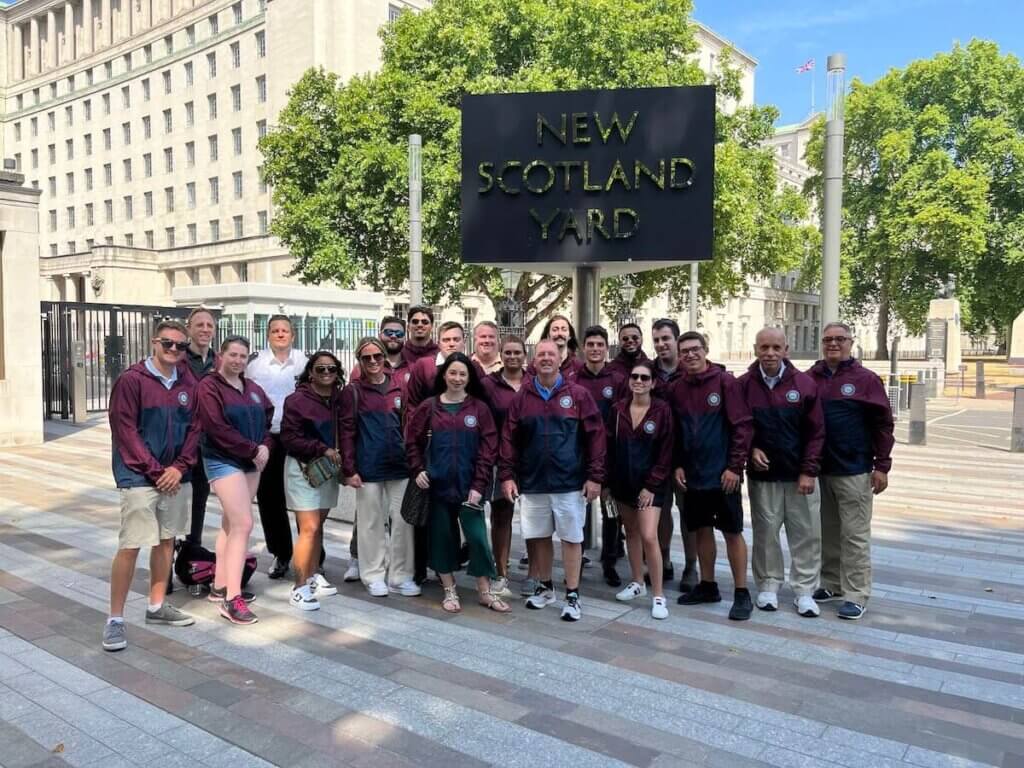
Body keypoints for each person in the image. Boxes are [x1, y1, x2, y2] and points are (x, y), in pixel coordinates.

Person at [103, 320, 200, 652]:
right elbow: (125, 431)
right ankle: (115, 620)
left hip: (175, 476)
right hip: (140, 476)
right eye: (167, 344)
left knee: (166, 540)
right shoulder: (132, 380)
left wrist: (180, 467)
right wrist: (158, 471)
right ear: (153, 343)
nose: (174, 350)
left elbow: (195, 429)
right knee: (131, 544)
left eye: (180, 346)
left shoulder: (189, 382)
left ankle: (156, 605)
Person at [499, 340, 605, 622]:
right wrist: (508, 475)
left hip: (569, 483)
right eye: (541, 354)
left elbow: (596, 436)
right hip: (533, 482)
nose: (546, 358)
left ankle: (573, 595)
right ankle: (546, 589)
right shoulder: (523, 396)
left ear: (561, 359)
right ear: (533, 361)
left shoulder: (578, 394)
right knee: (539, 537)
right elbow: (509, 439)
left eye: (551, 354)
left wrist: (595, 477)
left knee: (571, 539)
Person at [406, 353, 509, 613]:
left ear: (469, 378)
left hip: (469, 487)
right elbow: (411, 442)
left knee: (477, 538)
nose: (457, 378)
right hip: (437, 486)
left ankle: (485, 591)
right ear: (444, 375)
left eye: (463, 374)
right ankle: (449, 590)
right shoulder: (429, 407)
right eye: (452, 373)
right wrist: (418, 469)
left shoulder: (479, 409)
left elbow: (488, 450)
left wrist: (479, 485)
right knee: (442, 538)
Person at [808, 322, 894, 620]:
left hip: (855, 470)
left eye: (840, 339)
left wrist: (881, 465)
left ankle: (857, 594)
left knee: (855, 535)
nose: (833, 344)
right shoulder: (811, 378)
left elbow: (883, 424)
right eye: (828, 339)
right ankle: (831, 583)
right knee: (827, 532)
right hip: (821, 470)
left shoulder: (866, 380)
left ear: (850, 343)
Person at [738, 328, 825, 618]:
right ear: (755, 349)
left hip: (800, 476)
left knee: (806, 534)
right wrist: (751, 450)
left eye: (776, 347)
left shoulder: (804, 384)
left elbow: (816, 432)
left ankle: (804, 590)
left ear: (786, 349)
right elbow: (739, 427)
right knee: (766, 534)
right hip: (764, 477)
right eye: (764, 347)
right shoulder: (744, 385)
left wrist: (809, 471)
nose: (770, 353)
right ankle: (768, 585)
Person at [670, 331, 754, 620]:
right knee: (701, 529)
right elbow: (676, 433)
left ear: (706, 350)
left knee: (732, 532)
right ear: (679, 356)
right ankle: (708, 585)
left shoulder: (725, 382)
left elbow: (742, 426)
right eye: (685, 351)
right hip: (693, 476)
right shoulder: (677, 388)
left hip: (723, 475)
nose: (690, 355)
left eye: (695, 349)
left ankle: (742, 592)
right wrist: (678, 464)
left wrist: (734, 467)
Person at [196, 335, 274, 625]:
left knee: (231, 524)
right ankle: (232, 599)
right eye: (233, 355)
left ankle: (220, 585)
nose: (238, 361)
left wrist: (265, 445)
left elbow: (267, 417)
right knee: (243, 523)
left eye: (243, 357)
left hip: (251, 461)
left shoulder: (251, 388)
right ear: (221, 355)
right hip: (223, 460)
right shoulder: (209, 387)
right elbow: (216, 428)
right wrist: (253, 449)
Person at [339, 337, 419, 597]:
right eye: (366, 358)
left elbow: (408, 424)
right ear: (359, 361)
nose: (372, 361)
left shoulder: (398, 387)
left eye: (377, 356)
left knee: (403, 521)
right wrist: (349, 469)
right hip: (368, 467)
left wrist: (412, 458)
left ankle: (400, 575)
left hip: (399, 465)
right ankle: (373, 574)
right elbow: (347, 432)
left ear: (385, 357)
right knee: (371, 523)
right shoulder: (352, 391)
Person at [607, 361, 674, 620]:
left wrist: (651, 486)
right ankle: (637, 582)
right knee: (631, 533)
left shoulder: (662, 411)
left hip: (651, 486)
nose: (638, 381)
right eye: (634, 376)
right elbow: (609, 448)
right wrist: (608, 483)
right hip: (623, 482)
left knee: (648, 535)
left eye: (645, 378)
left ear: (653, 383)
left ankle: (658, 595)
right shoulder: (617, 410)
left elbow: (666, 452)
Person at [280, 352, 345, 612]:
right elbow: (289, 437)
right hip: (302, 468)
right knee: (308, 528)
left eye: (331, 368)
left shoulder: (340, 399)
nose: (326, 373)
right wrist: (322, 448)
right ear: (310, 372)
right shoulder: (296, 400)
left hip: (327, 470)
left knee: (318, 527)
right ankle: (299, 587)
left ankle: (312, 574)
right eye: (320, 369)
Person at [247, 315, 307, 580]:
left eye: (285, 330)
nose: (280, 334)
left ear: (292, 335)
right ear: (268, 334)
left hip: (299, 437)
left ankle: (314, 554)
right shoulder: (255, 364)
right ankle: (281, 553)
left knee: (305, 499)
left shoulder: (305, 362)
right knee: (270, 499)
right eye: (275, 330)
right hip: (268, 437)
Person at [574, 325, 627, 587]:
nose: (595, 349)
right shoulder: (573, 380)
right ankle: (578, 557)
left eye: (600, 345)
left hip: (609, 457)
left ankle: (609, 561)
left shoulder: (617, 380)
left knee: (610, 511)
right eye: (591, 344)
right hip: (580, 456)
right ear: (584, 348)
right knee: (579, 510)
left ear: (607, 348)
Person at [649, 319, 698, 591]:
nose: (661, 344)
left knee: (688, 512)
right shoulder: (648, 372)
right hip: (656, 456)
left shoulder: (690, 370)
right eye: (656, 340)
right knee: (661, 510)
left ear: (677, 341)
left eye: (665, 338)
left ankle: (691, 565)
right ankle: (663, 559)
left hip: (687, 456)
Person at [480, 336, 529, 597]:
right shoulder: (489, 385)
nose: (512, 356)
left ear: (524, 354)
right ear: (501, 353)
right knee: (502, 517)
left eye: (517, 352)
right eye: (507, 352)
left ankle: (535, 575)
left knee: (534, 519)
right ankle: (501, 573)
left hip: (532, 460)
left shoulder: (534, 382)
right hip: (501, 460)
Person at [180, 308, 219, 550]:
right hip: (180, 443)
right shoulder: (177, 358)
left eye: (209, 325)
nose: (205, 329)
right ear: (189, 329)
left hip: (207, 445)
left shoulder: (221, 361)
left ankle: (192, 552)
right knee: (174, 503)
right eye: (199, 325)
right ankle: (168, 560)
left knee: (199, 501)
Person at [405, 321, 471, 411]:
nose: (451, 344)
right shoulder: (423, 366)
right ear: (438, 343)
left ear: (464, 342)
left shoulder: (472, 367)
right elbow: (412, 404)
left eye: (456, 339)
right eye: (446, 340)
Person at [529, 314, 583, 382]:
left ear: (570, 336)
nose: (559, 333)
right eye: (555, 330)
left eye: (564, 329)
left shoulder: (578, 367)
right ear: (548, 335)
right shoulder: (535, 365)